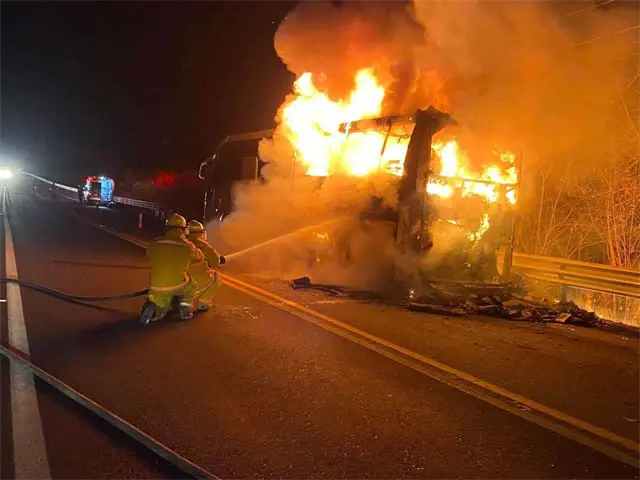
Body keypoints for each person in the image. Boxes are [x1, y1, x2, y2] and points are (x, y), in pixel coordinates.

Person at [146, 213, 204, 320]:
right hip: (177, 284)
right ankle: (185, 306)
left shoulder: (155, 242)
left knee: (160, 303)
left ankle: (154, 307)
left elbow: (149, 253)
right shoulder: (188, 245)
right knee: (192, 285)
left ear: (167, 228)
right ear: (184, 229)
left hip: (155, 285)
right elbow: (200, 258)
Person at [187, 220, 225, 311]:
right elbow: (215, 261)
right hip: (194, 284)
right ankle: (203, 302)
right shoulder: (203, 245)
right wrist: (219, 260)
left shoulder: (181, 244)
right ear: (202, 233)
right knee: (216, 277)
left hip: (179, 282)